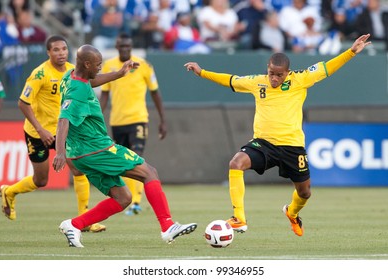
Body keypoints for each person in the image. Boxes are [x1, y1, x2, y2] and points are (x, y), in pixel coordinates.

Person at [183, 34, 371, 237]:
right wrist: (202, 72)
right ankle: (239, 218)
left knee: (305, 192)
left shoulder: (300, 79)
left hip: (292, 147)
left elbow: (327, 67)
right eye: (271, 73)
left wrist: (351, 52)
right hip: (264, 144)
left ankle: (292, 212)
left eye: (279, 75)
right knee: (236, 163)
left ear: (287, 73)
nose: (274, 78)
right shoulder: (257, 82)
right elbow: (230, 80)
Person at [53, 44, 197, 247]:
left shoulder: (71, 76)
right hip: (96, 148)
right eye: (98, 64)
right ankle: (167, 226)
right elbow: (63, 119)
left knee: (123, 198)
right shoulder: (76, 90)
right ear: (86, 64)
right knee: (149, 172)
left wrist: (119, 74)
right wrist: (59, 152)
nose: (100, 68)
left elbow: (92, 80)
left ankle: (74, 225)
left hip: (81, 153)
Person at [0, 35, 124, 233]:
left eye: (64, 49)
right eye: (56, 50)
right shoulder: (39, 74)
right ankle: (9, 191)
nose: (61, 53)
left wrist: (118, 74)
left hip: (62, 131)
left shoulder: (72, 71)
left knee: (78, 169)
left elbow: (91, 81)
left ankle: (86, 218)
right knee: (41, 180)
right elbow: (23, 103)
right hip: (37, 132)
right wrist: (40, 130)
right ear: (48, 53)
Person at [100, 32, 167, 216]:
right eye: (122, 46)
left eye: (128, 46)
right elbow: (104, 94)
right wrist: (96, 117)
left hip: (138, 119)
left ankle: (136, 202)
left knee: (136, 157)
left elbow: (155, 93)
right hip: (117, 121)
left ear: (131, 47)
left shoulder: (144, 65)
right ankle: (131, 199)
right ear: (117, 47)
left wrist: (162, 120)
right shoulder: (109, 65)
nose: (125, 49)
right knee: (123, 162)